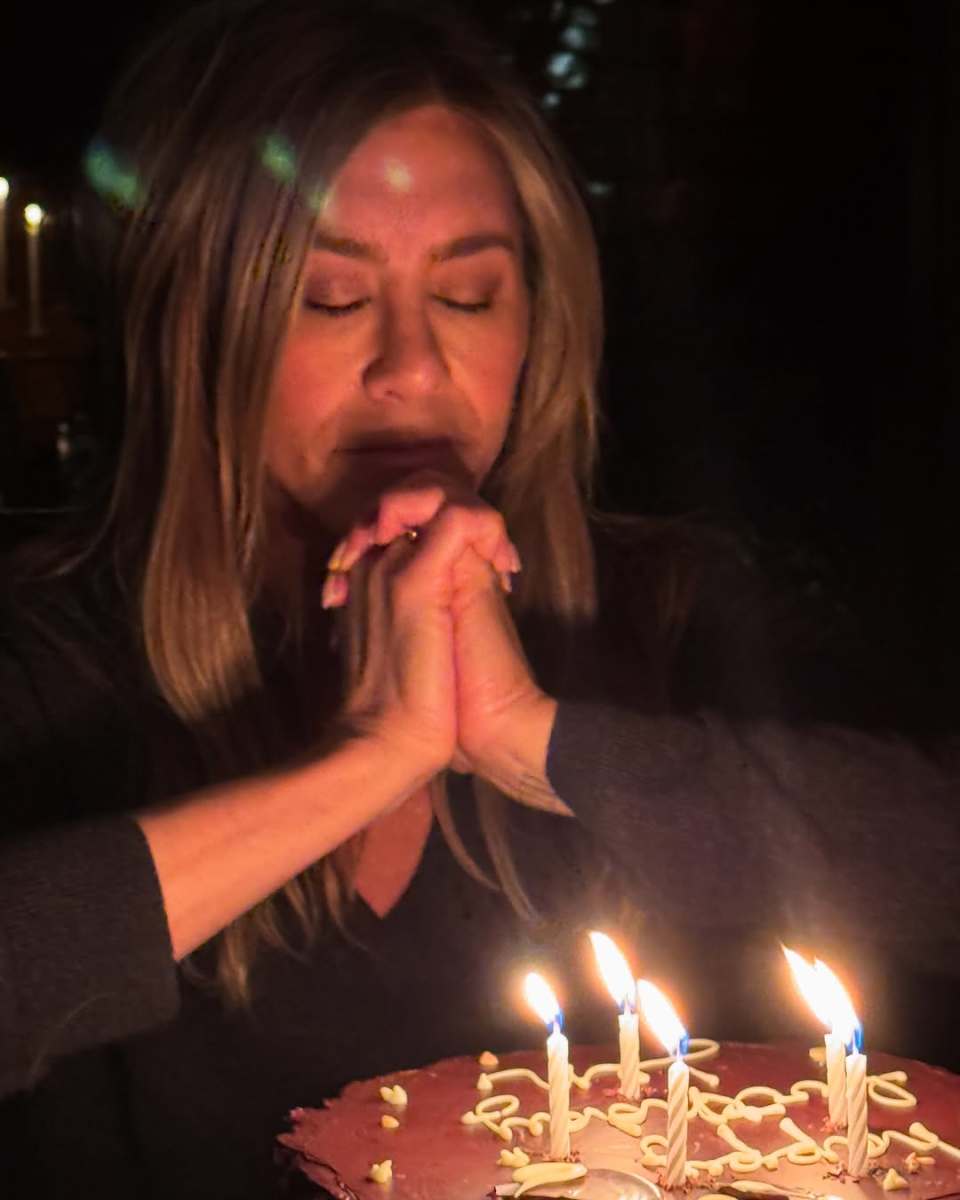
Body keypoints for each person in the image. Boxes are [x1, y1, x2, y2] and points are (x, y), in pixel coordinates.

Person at [0, 1, 957, 1196]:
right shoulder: (54, 664)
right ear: (197, 329)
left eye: (467, 297)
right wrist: (367, 758)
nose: (411, 366)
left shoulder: (667, 610)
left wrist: (532, 739)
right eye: (329, 298)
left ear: (537, 329)